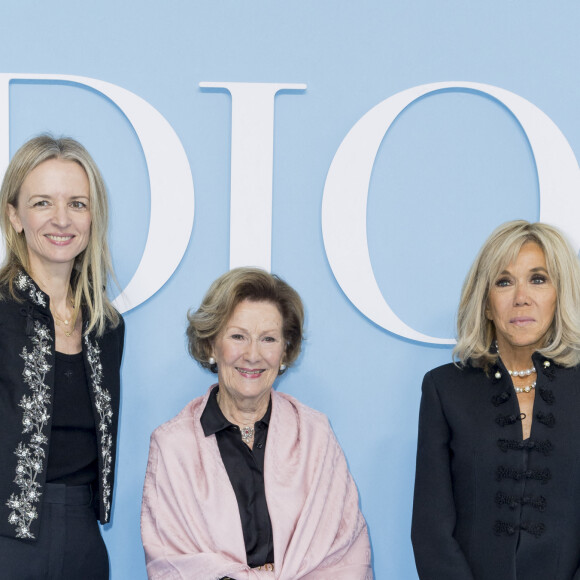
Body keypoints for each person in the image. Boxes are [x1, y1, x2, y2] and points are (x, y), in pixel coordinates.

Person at [141, 267, 372, 579]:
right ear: (211, 345)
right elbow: (171, 563)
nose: (253, 355)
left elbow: (346, 553)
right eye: (238, 336)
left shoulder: (316, 434)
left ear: (285, 351)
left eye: (268, 339)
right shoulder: (173, 446)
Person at [411, 220, 580, 580]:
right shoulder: (444, 389)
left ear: (560, 293)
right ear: (486, 303)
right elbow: (431, 529)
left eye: (538, 279)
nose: (521, 296)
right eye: (504, 282)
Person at [0, 135, 125, 579]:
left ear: (93, 217)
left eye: (76, 203)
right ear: (14, 215)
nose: (61, 219)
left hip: (85, 540)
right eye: (41, 203)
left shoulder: (106, 327)